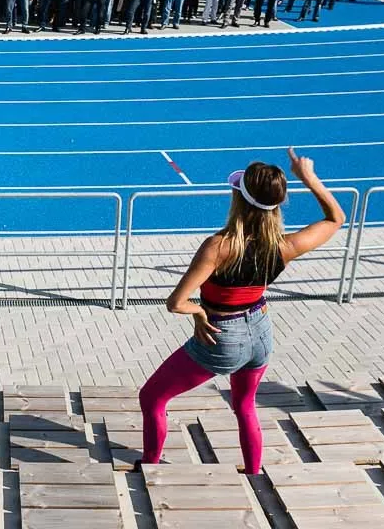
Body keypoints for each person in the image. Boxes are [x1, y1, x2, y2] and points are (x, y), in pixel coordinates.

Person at [137, 149, 345, 473]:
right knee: (245, 405)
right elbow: (335, 219)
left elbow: (176, 303)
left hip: (222, 337)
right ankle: (254, 474)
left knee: (152, 398)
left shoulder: (217, 247)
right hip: (261, 333)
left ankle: (149, 466)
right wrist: (308, 177)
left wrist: (198, 313)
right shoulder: (285, 247)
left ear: (237, 198)